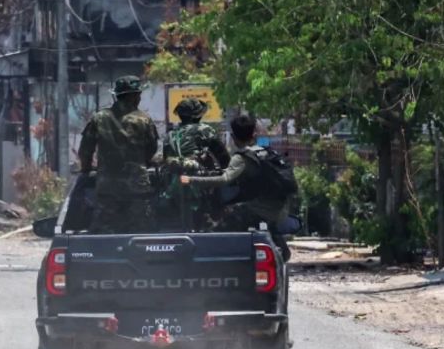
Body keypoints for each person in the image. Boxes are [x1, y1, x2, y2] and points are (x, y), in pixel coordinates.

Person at [180, 114, 295, 258]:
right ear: (254, 134)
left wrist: (191, 180)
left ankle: (219, 258)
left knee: (221, 227)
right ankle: (278, 246)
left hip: (259, 209)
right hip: (279, 209)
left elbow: (224, 179)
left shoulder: (241, 157)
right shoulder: (266, 152)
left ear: (233, 137)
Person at [78, 75, 160, 233]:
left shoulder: (99, 118)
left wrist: (86, 169)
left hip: (108, 186)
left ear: (117, 95)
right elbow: (151, 147)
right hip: (137, 185)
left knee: (104, 232)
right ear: (134, 96)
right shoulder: (144, 119)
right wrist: (143, 162)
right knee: (142, 231)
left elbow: (85, 149)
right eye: (139, 95)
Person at [163, 97, 231, 172]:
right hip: (199, 180)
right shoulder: (203, 130)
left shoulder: (169, 135)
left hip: (172, 180)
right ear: (198, 116)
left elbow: (165, 159)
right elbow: (223, 157)